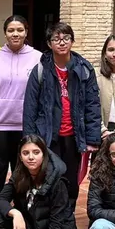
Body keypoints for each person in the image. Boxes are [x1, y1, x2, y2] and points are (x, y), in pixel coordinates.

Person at [23, 22, 101, 207]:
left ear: (72, 41)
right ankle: (50, 218)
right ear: (49, 44)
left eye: (66, 38)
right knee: (50, 178)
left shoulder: (84, 68)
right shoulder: (41, 70)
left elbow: (93, 105)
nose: (62, 42)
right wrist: (29, 139)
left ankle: (68, 218)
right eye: (56, 39)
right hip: (49, 136)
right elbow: (30, 106)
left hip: (75, 135)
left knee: (72, 182)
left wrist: (92, 139)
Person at [0, 15, 40, 202]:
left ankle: (22, 212)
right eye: (11, 30)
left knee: (23, 172)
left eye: (20, 30)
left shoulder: (38, 58)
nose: (15, 34)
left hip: (26, 125)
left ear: (26, 32)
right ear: (5, 33)